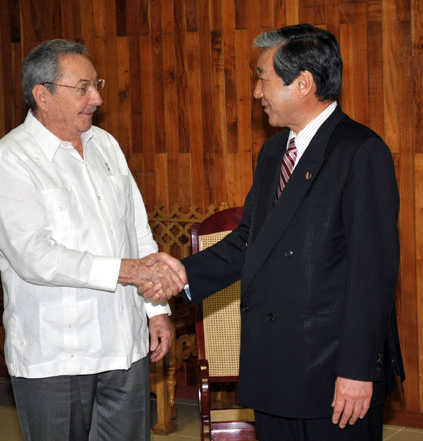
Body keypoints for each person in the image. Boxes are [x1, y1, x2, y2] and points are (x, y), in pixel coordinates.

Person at [150, 24, 405, 441]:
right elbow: (250, 241)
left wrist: (357, 371)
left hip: (332, 372)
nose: (256, 92)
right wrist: (180, 273)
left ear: (302, 83)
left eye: (262, 78)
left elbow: (372, 274)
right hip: (275, 366)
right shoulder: (274, 152)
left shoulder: (359, 151)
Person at [0, 39, 186, 441]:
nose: (97, 97)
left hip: (125, 346)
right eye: (84, 87)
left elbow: (136, 230)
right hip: (57, 355)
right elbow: (35, 258)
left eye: (97, 84)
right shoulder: (8, 161)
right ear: (43, 95)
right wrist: (127, 271)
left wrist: (156, 310)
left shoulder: (105, 144)